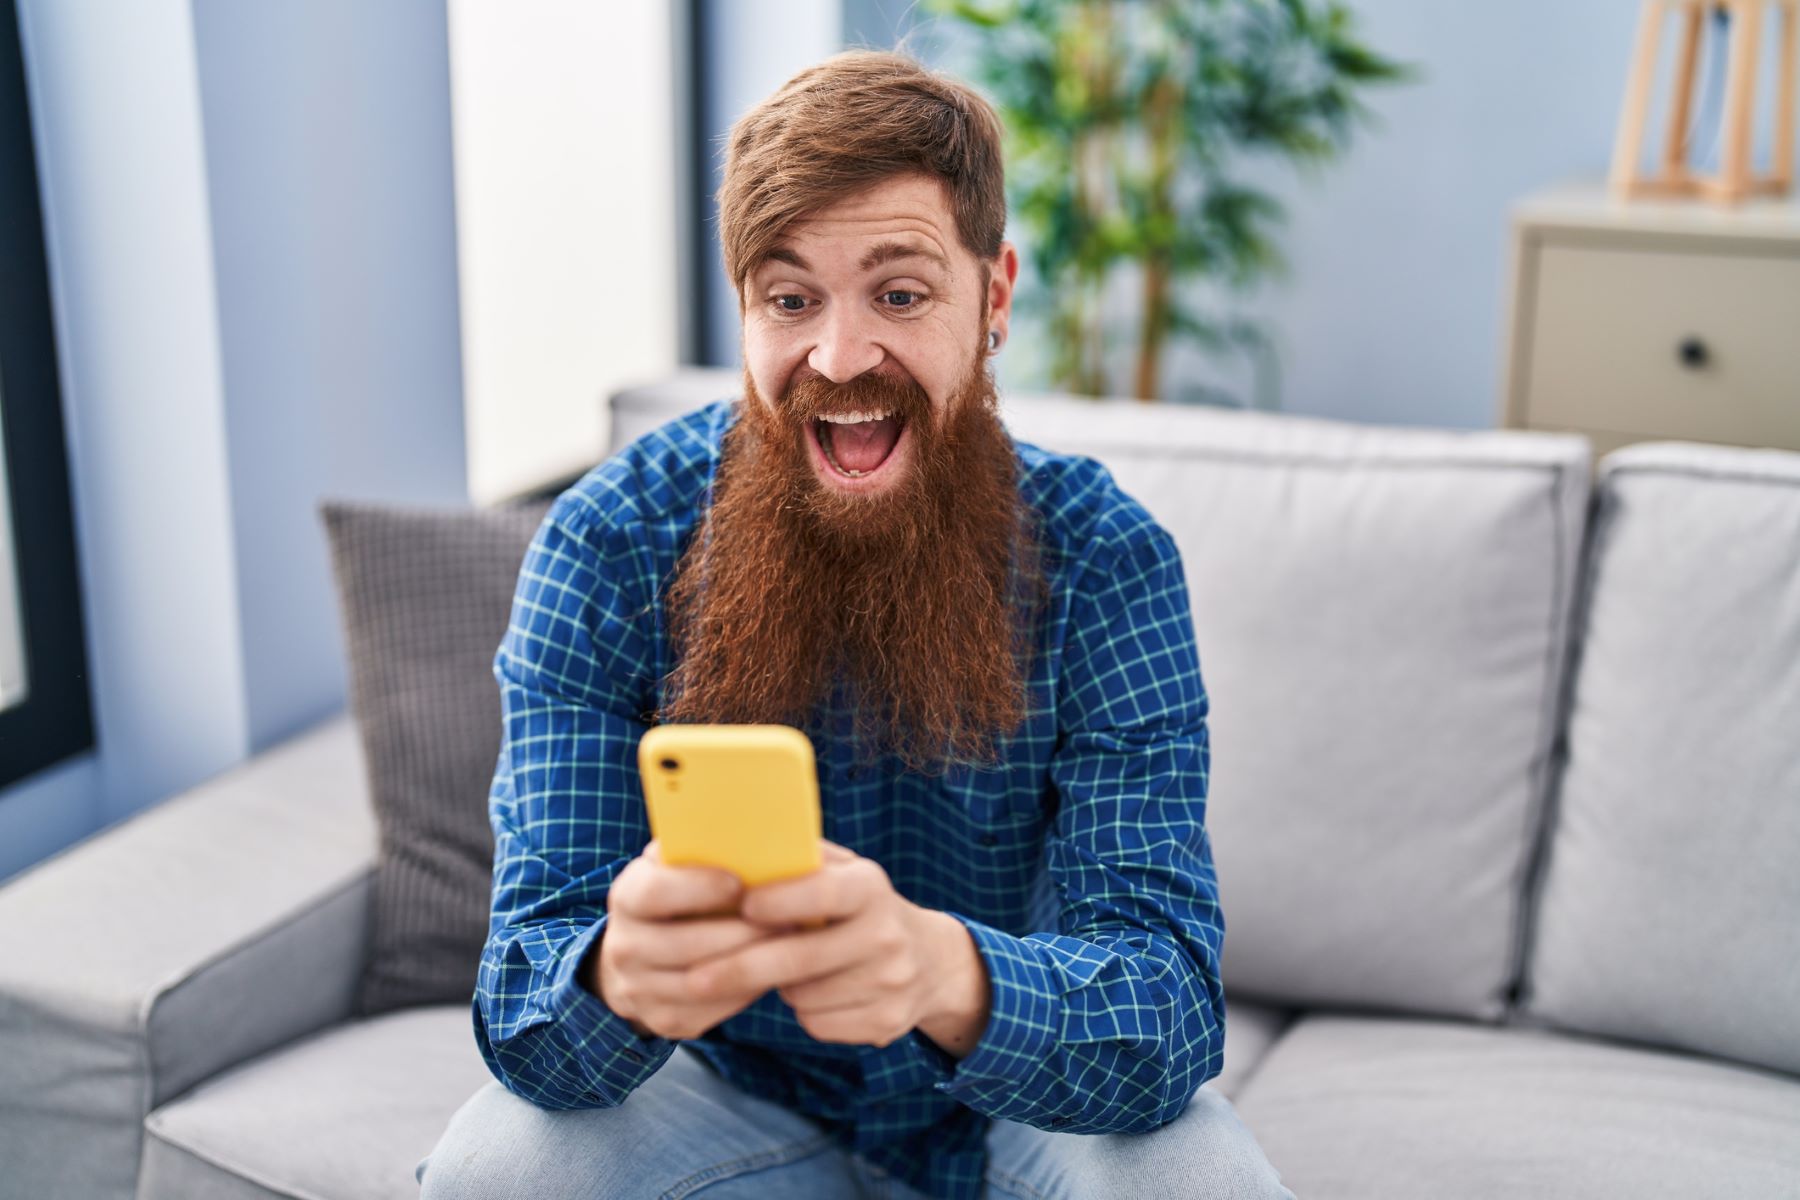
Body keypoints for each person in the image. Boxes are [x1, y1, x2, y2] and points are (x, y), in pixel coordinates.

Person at [418, 49, 1294, 1200]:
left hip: (1017, 1106)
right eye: (790, 300)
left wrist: (943, 975)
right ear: (744, 312)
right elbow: (528, 1008)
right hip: (731, 1100)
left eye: (900, 292)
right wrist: (617, 981)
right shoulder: (610, 543)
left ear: (994, 298)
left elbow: (1169, 1008)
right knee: (497, 1172)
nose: (839, 357)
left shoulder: (1105, 561)